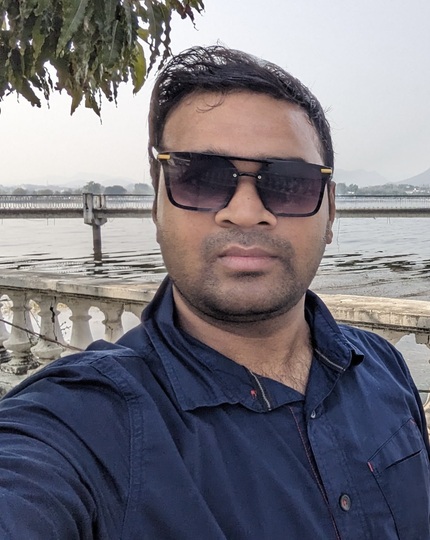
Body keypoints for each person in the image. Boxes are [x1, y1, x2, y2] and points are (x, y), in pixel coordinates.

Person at [0, 45, 428, 540]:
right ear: (157, 203)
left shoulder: (380, 365)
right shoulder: (86, 423)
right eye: (200, 179)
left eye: (289, 184)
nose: (245, 212)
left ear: (330, 210)